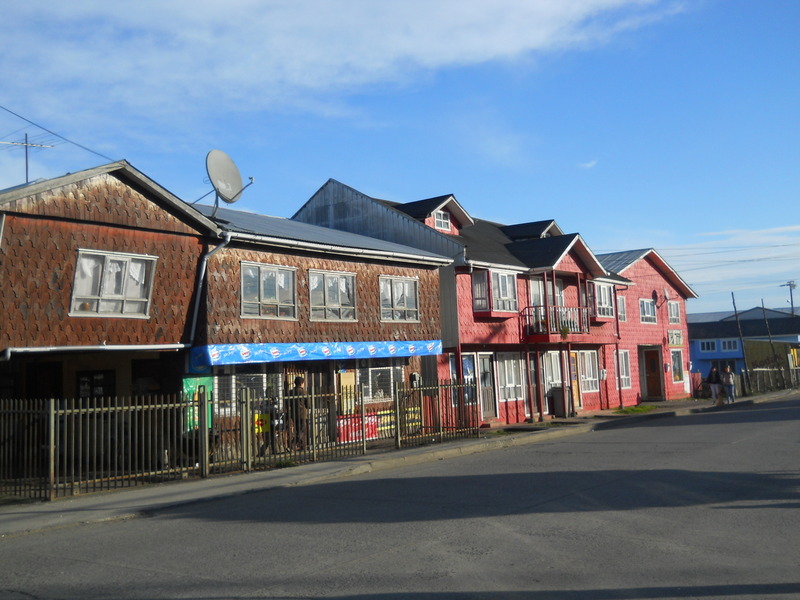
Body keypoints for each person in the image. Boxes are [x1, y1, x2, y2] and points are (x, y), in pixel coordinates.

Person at [287, 376, 309, 450]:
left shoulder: (290, 392)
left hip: (294, 414)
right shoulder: (303, 392)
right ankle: (293, 445)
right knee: (302, 430)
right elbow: (308, 404)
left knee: (298, 430)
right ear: (302, 383)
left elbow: (288, 403)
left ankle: (303, 446)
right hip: (302, 414)